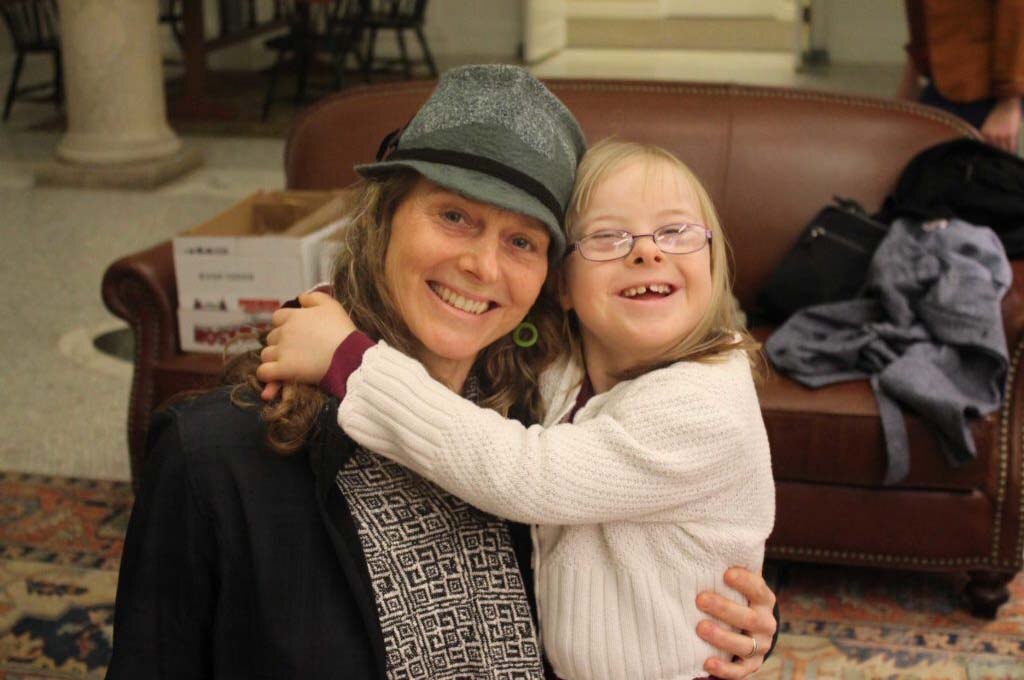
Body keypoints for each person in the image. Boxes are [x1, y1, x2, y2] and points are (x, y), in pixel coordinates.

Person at [107, 65, 777, 680]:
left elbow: (639, 581)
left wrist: (737, 630)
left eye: (521, 241)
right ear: (385, 220)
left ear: (549, 278)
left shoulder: (535, 420)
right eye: (454, 216)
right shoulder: (215, 460)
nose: (483, 267)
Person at [258, 139, 775, 680]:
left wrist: (349, 360)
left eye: (675, 232)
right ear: (563, 287)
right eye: (606, 237)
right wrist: (336, 309)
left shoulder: (706, 407)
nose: (647, 252)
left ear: (713, 261)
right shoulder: (567, 368)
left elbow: (526, 473)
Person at [898, 0, 1024, 153]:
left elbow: (1016, 13)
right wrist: (910, 84)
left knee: (981, 172)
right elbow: (920, 19)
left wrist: (1009, 103)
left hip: (983, 91)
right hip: (938, 84)